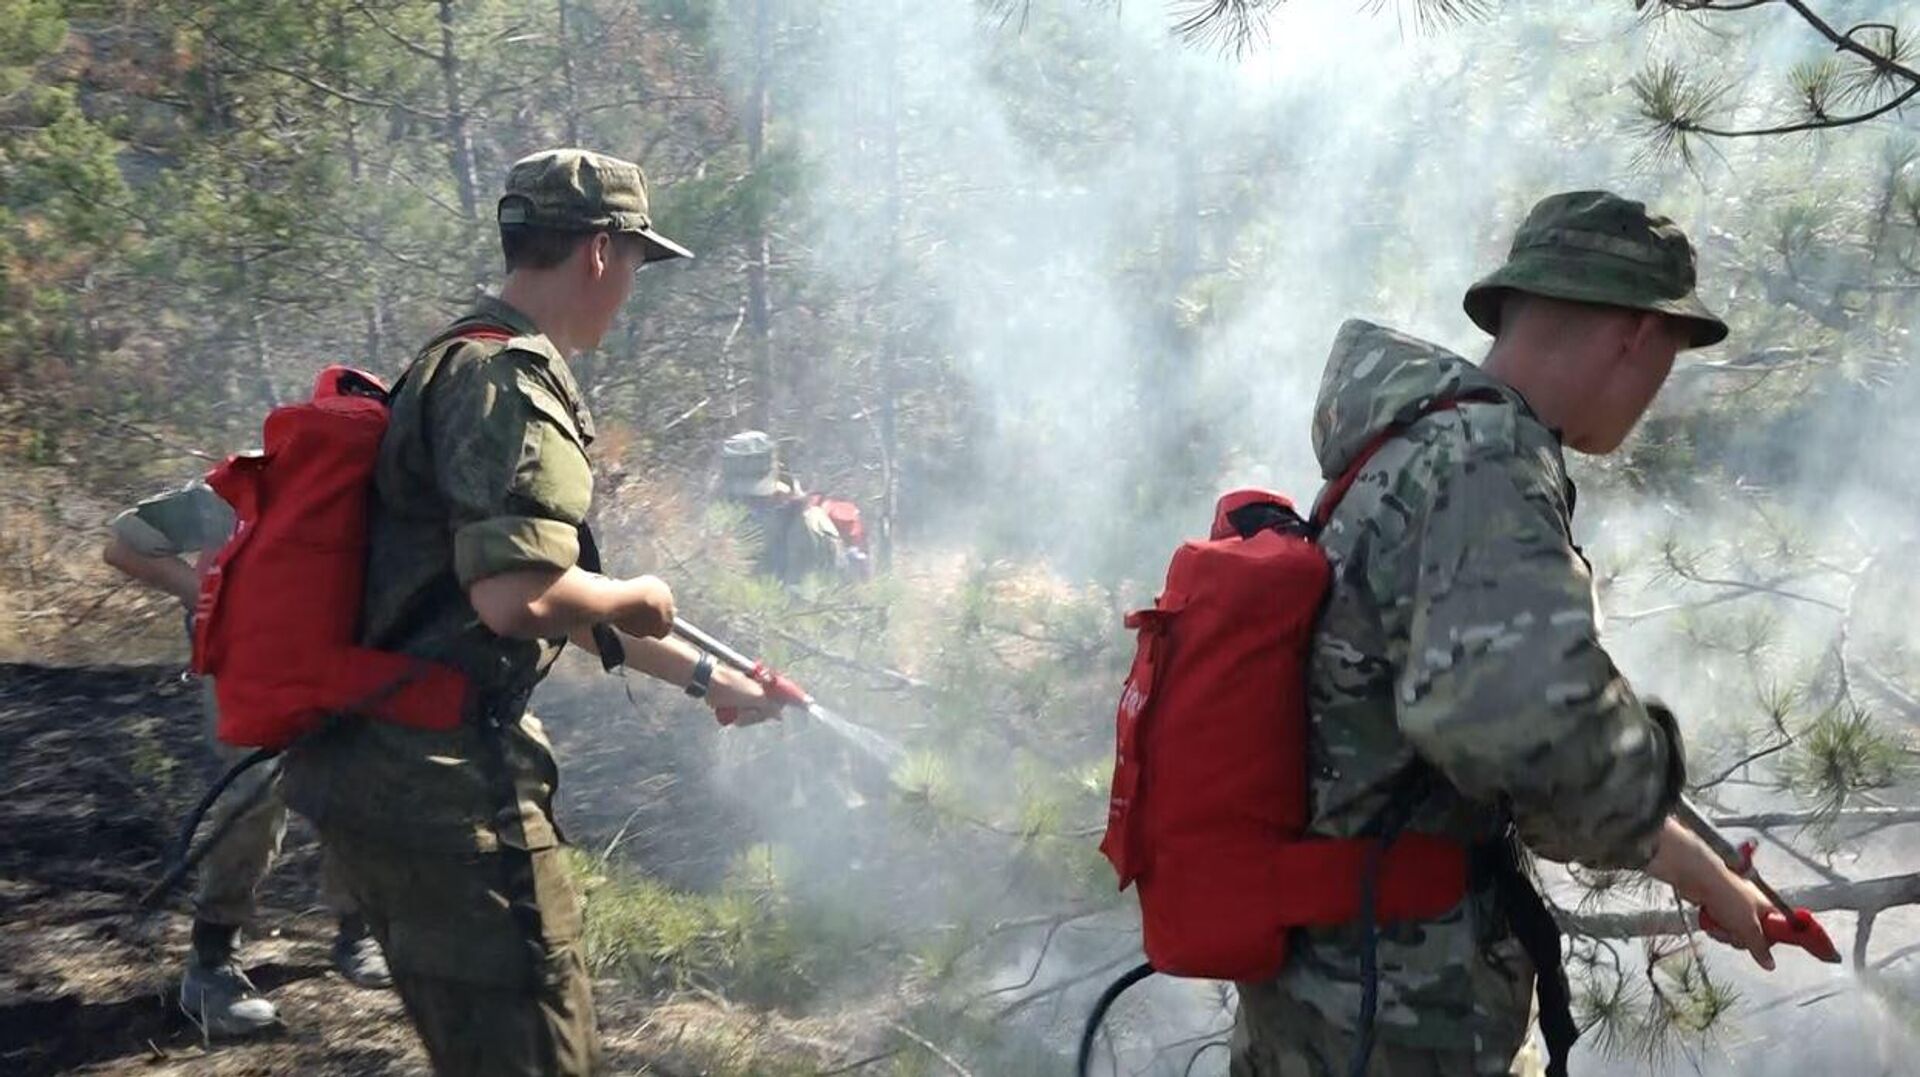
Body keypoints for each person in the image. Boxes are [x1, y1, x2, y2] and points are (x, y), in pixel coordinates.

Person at [1228, 191, 1780, 1076]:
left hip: (1331, 1001)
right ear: (1637, 335)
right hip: (1396, 1024)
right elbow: (1526, 732)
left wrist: (1700, 870)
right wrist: (1659, 778)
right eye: (1668, 357)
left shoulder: (1412, 444)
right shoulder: (1484, 464)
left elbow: (1494, 725)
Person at [278, 148, 781, 1077]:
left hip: (395, 775)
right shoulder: (507, 378)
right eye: (635, 263)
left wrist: (715, 678)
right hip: (448, 793)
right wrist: (642, 593)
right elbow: (521, 597)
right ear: (599, 252)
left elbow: (535, 596)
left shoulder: (461, 357)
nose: (630, 289)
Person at [104, 479, 392, 1038]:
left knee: (354, 780)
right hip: (243, 661)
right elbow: (123, 545)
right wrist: (207, 596)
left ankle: (357, 931)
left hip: (337, 658)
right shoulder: (242, 483)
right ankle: (211, 958)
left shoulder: (384, 488)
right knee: (256, 793)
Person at [717, 430, 852, 583]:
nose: (748, 502)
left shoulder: (807, 524)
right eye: (743, 497)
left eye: (757, 497)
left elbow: (812, 595)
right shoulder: (721, 523)